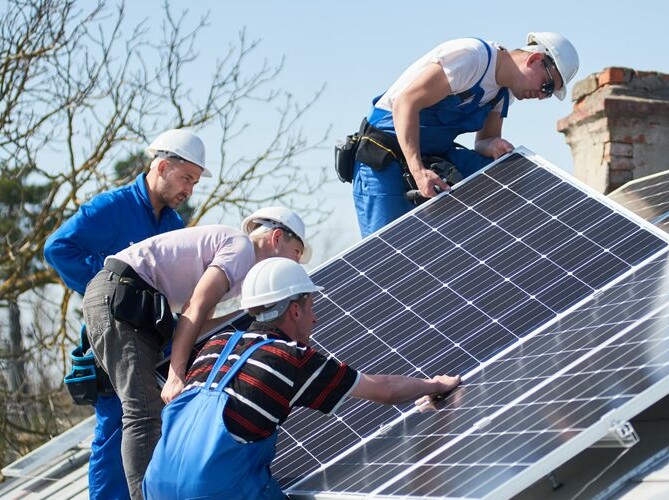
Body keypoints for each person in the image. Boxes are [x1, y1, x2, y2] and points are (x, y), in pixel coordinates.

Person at [142, 257, 461, 499]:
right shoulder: (291, 358)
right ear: (294, 310)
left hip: (155, 484)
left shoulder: (216, 344)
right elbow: (385, 390)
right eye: (311, 305)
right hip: (214, 488)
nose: (316, 317)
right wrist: (434, 385)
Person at [82, 206, 313, 500]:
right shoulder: (241, 249)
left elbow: (200, 324)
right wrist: (177, 373)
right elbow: (195, 308)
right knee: (143, 412)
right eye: (295, 253)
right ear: (277, 237)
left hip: (129, 301)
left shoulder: (237, 269)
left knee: (146, 409)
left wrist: (244, 320)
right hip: (123, 298)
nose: (295, 264)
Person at [43, 128, 208, 500]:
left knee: (153, 422)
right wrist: (107, 290)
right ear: (163, 166)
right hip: (114, 338)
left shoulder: (173, 225)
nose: (189, 191)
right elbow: (58, 248)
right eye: (186, 179)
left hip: (154, 339)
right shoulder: (111, 207)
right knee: (114, 425)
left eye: (195, 183)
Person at [352, 32, 579, 237]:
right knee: (386, 247)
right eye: (547, 86)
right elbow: (406, 102)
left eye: (548, 94)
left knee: (510, 176)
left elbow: (483, 141)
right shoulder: (472, 58)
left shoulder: (504, 93)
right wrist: (418, 171)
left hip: (434, 153)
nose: (541, 96)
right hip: (386, 153)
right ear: (535, 60)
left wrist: (493, 145)